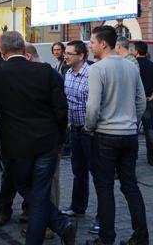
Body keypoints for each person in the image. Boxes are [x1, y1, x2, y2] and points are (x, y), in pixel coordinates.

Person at [0, 31, 77, 245]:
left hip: (16, 145)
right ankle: (61, 225)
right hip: (46, 141)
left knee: (27, 187)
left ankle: (53, 230)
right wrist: (60, 137)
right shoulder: (46, 71)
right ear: (23, 50)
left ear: (2, 52)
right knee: (39, 191)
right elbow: (61, 109)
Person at [84, 25, 148, 245]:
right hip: (129, 135)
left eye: (92, 42)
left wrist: (89, 128)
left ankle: (106, 238)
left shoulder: (97, 69)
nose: (90, 46)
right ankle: (141, 237)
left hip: (105, 135)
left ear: (103, 43)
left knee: (104, 188)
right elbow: (141, 101)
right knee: (130, 186)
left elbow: (92, 107)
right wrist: (132, 121)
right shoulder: (131, 67)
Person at [61, 41, 96, 223]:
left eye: (69, 53)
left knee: (96, 173)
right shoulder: (67, 73)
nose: (65, 56)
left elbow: (95, 104)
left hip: (90, 131)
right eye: (65, 53)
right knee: (78, 170)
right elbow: (68, 100)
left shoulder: (91, 74)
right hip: (74, 129)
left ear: (81, 56)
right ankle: (77, 207)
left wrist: (89, 126)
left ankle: (101, 215)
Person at [133, 41, 153, 166]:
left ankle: (133, 156)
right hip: (148, 100)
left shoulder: (132, 65)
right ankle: (152, 158)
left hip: (135, 101)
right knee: (149, 129)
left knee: (133, 130)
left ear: (136, 51)